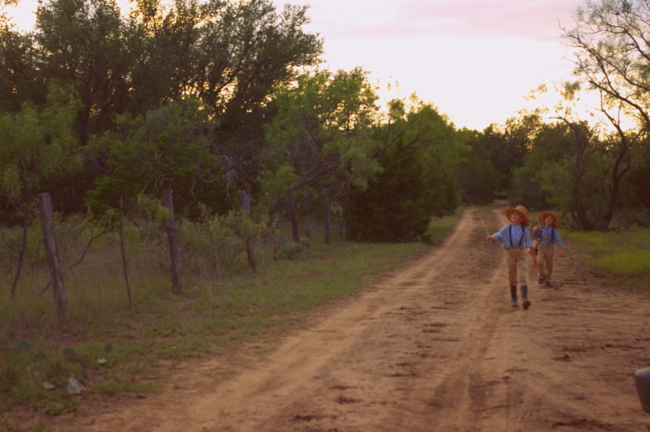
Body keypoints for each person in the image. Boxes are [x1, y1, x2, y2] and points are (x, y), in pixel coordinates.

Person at [486, 205, 537, 309]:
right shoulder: (506, 229)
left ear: (522, 219)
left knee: (523, 274)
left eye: (517, 214)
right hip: (509, 253)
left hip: (521, 253)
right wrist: (491, 237)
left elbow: (530, 245)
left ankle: (524, 299)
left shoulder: (525, 230)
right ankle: (514, 299)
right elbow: (498, 235)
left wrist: (534, 259)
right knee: (512, 275)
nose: (514, 215)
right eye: (513, 213)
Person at [534, 211, 564, 287]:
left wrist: (560, 249)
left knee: (549, 264)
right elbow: (536, 237)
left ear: (553, 221)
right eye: (547, 217)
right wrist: (535, 231)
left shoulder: (554, 230)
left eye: (550, 218)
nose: (548, 219)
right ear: (544, 219)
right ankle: (541, 276)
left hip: (550, 247)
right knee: (539, 262)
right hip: (541, 246)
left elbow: (558, 239)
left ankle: (548, 279)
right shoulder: (540, 228)